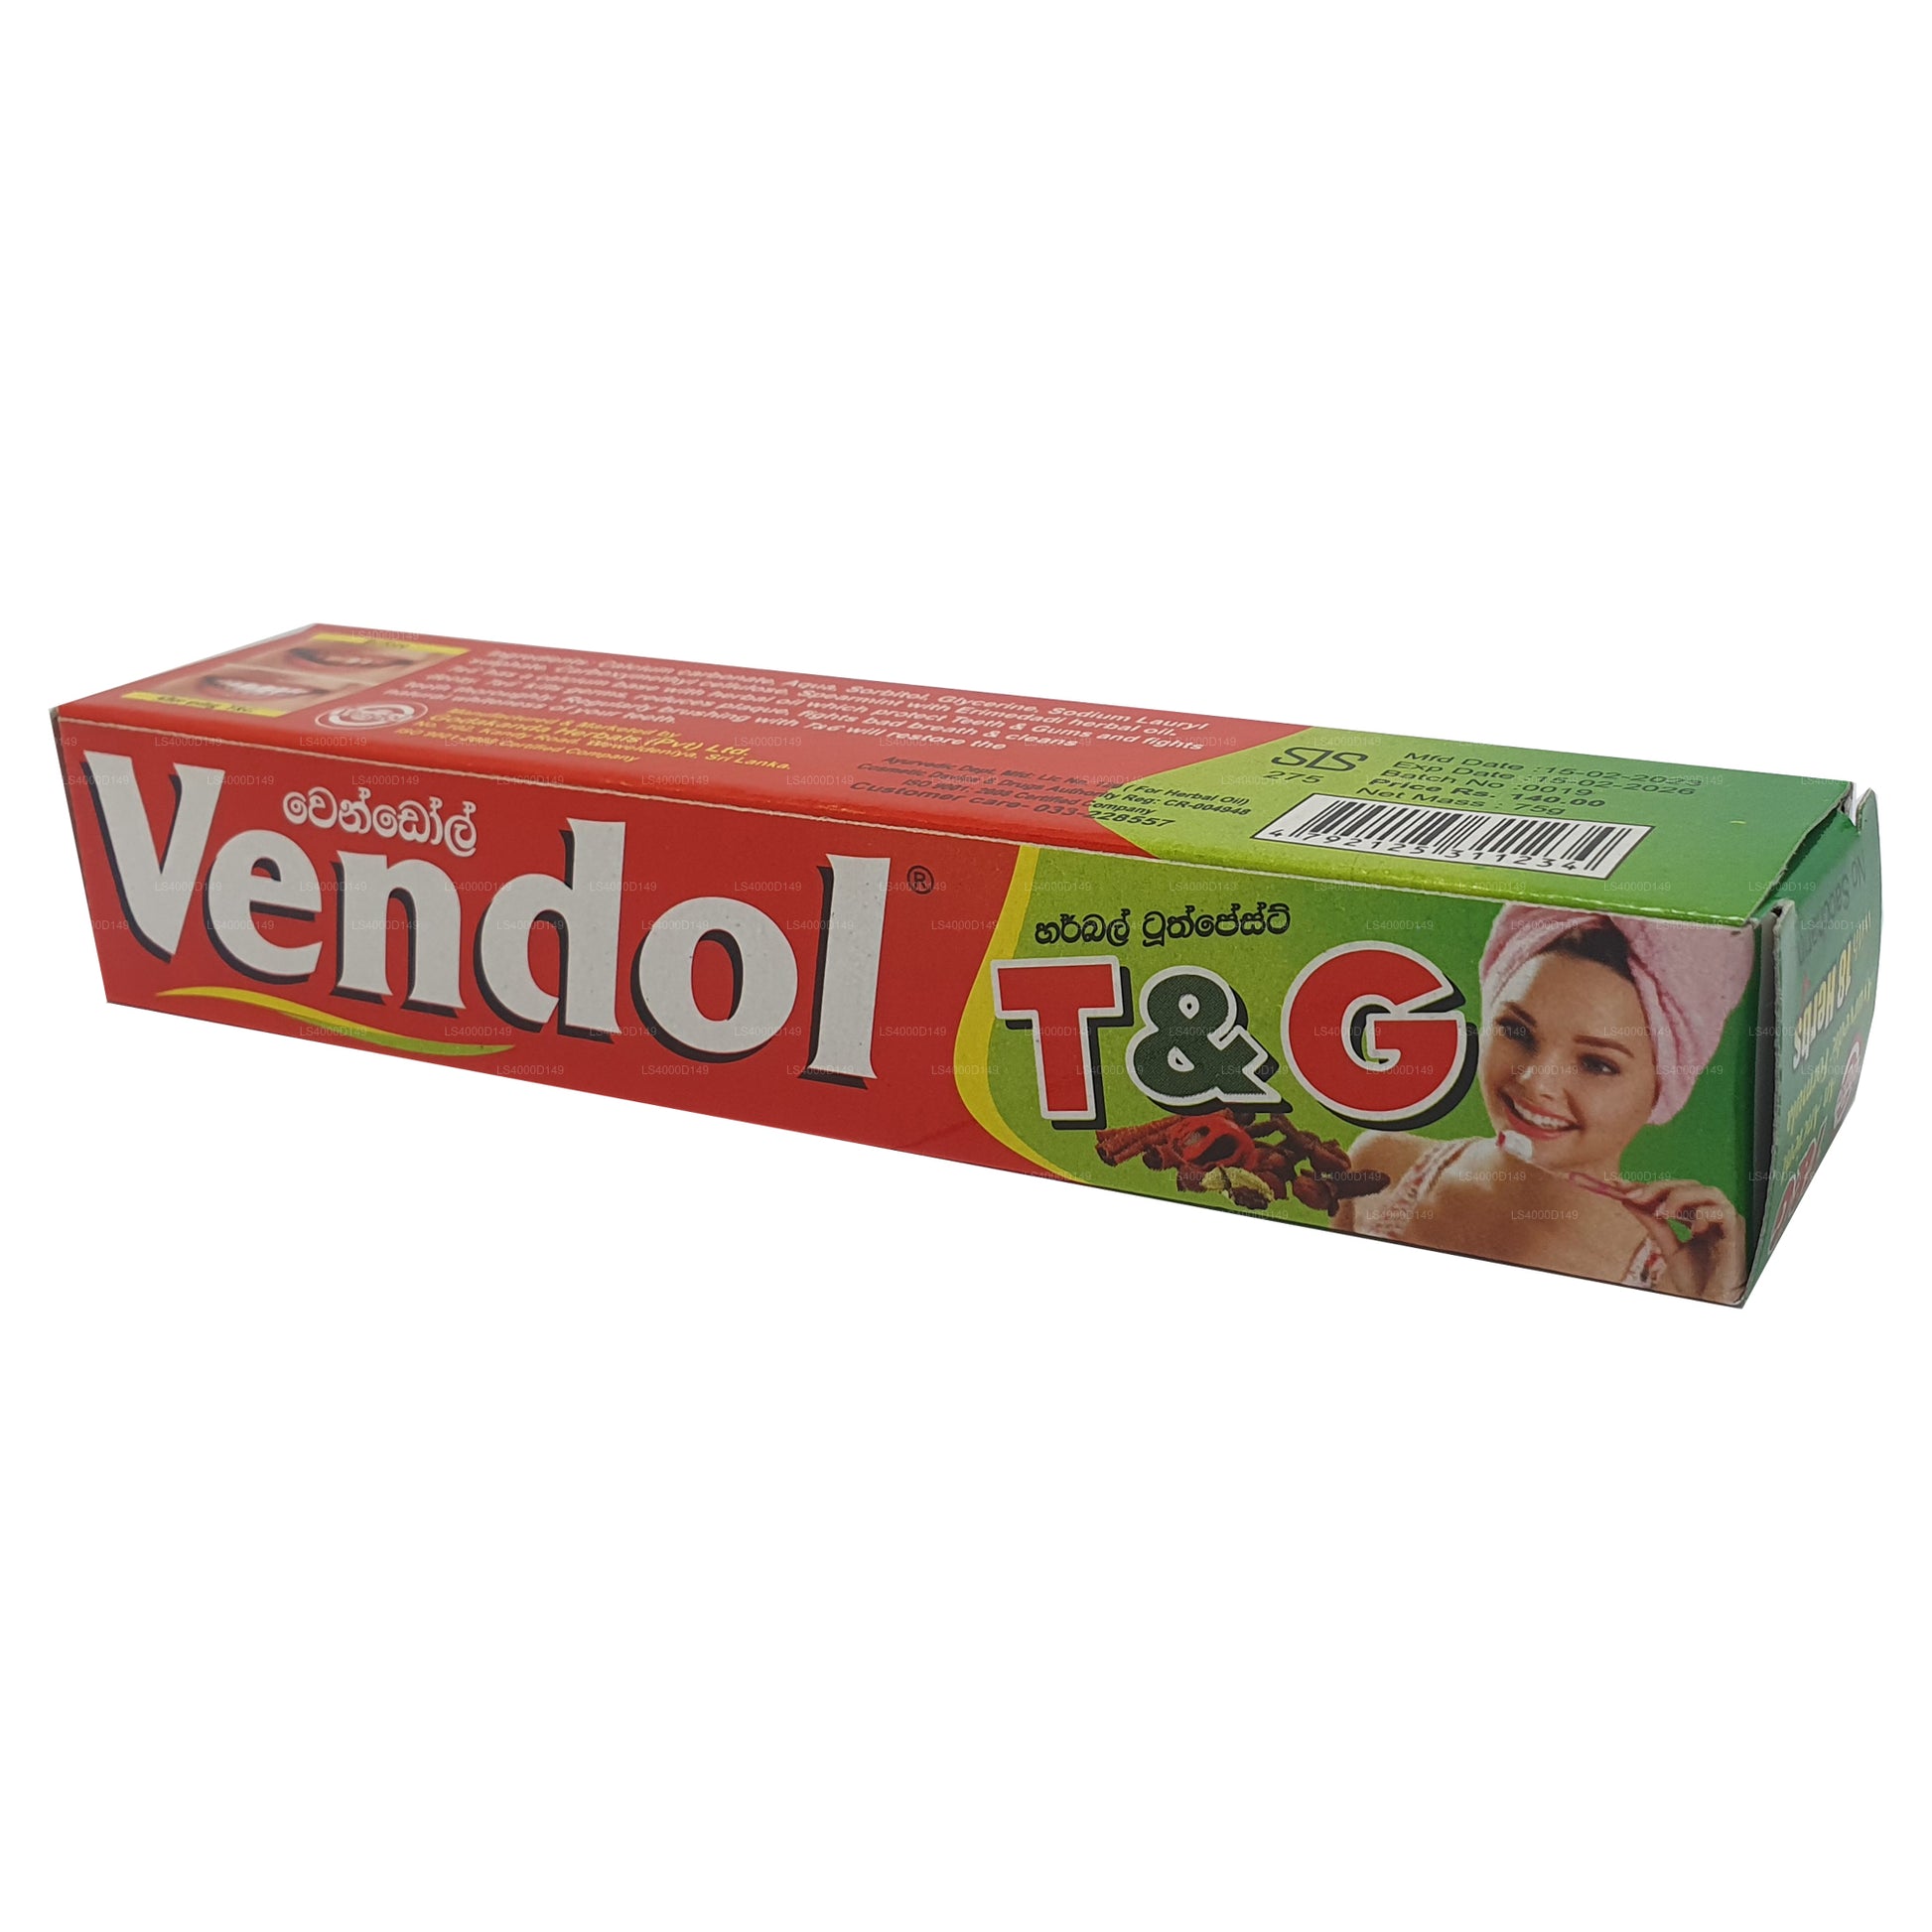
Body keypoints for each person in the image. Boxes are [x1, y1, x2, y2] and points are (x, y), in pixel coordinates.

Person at [1337, 903, 1756, 1301]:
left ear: (1662, 1088)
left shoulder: (1676, 1282)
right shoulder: (1380, 1165)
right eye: (1517, 1032)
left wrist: (1711, 1307)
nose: (1536, 1083)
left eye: (1596, 1064)